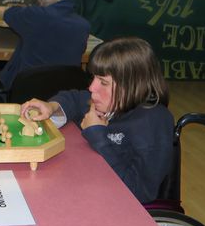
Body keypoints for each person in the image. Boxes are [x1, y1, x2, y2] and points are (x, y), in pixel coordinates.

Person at [20, 37, 174, 204]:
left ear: (133, 85)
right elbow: (74, 99)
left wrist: (98, 136)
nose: (92, 88)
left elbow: (139, 192)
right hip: (90, 188)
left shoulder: (152, 122)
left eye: (103, 82)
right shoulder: (114, 102)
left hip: (120, 209)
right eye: (94, 78)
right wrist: (51, 106)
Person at [0, 0, 90, 101]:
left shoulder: (34, 15)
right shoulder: (84, 26)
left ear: (41, 1)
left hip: (29, 91)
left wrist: (25, 8)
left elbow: (9, 14)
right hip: (64, 96)